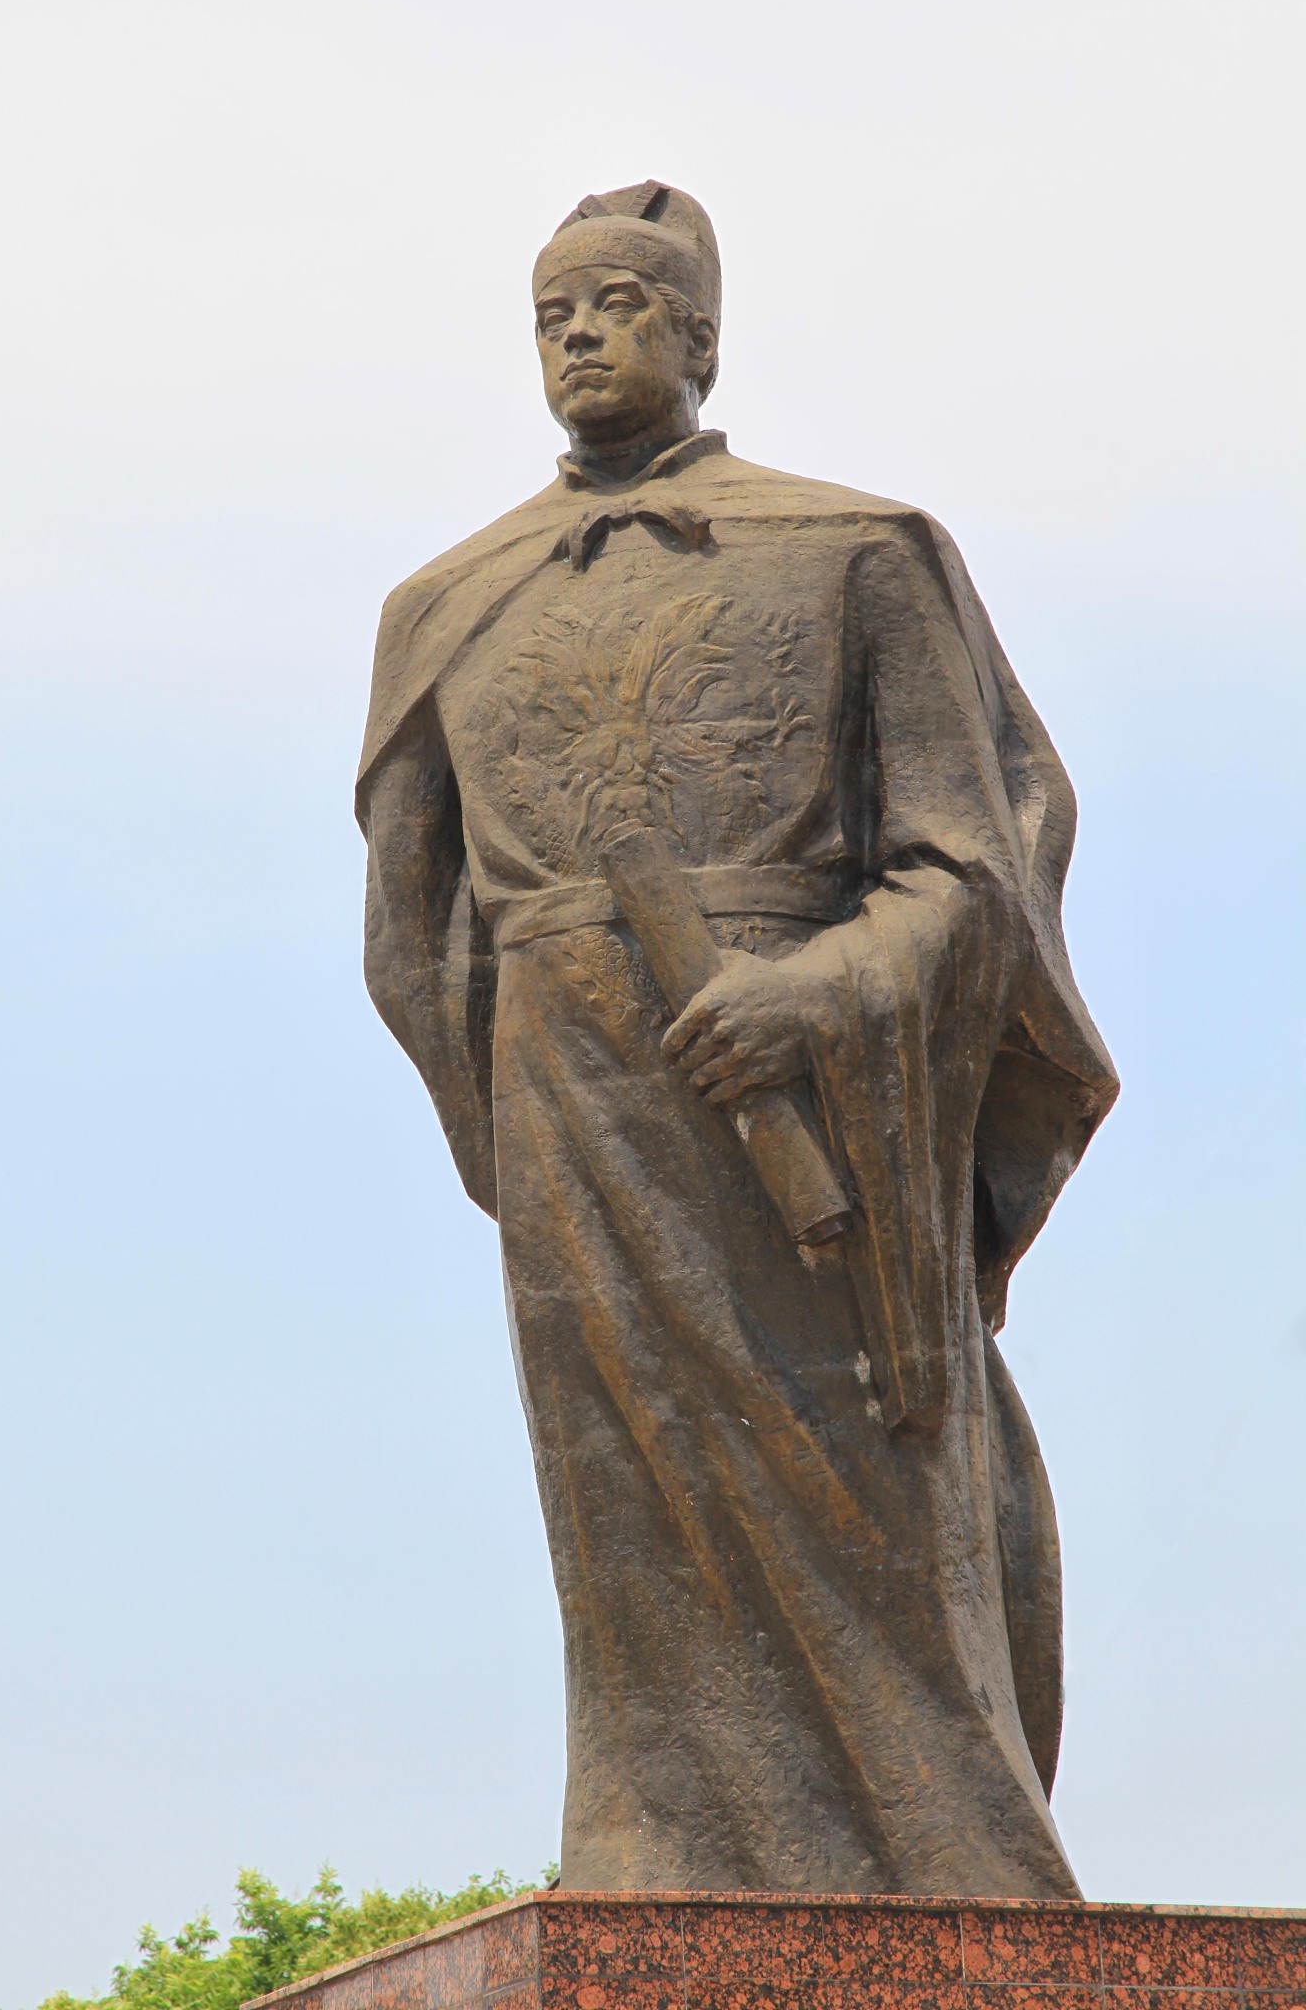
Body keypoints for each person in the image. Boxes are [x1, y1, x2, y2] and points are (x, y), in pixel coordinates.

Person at [357, 181, 1118, 1896]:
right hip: (576, 1120)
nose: (579, 333)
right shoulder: (449, 605)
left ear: (701, 335)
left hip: (821, 1121)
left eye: (617, 302)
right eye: (551, 311)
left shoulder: (855, 553)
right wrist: (529, 1101)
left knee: (875, 1476)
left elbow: (972, 862)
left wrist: (818, 993)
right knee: (630, 1514)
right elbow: (412, 933)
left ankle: (957, 1883)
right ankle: (654, 1855)